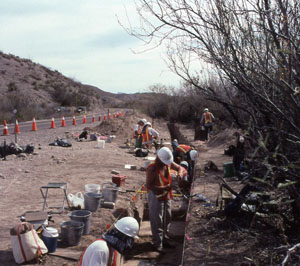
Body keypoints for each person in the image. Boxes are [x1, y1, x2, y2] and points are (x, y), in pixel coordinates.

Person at [146, 147, 184, 252]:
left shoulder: (167, 164)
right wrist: (165, 188)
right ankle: (157, 243)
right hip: (155, 196)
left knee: (167, 216)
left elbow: (179, 168)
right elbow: (149, 186)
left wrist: (180, 174)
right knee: (157, 220)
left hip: (166, 195)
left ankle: (164, 239)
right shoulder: (152, 169)